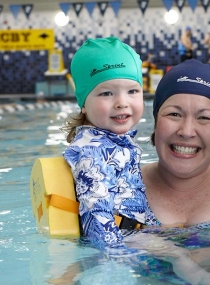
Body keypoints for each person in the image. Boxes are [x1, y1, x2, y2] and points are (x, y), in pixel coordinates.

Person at [142, 59, 210, 228]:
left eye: (204, 117)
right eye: (174, 114)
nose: (186, 131)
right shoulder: (120, 186)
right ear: (155, 124)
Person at [62, 37, 146, 251]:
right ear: (83, 103)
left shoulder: (109, 142)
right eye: (106, 93)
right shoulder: (94, 151)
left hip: (131, 239)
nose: (122, 102)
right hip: (118, 251)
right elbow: (97, 218)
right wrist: (119, 260)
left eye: (132, 91)